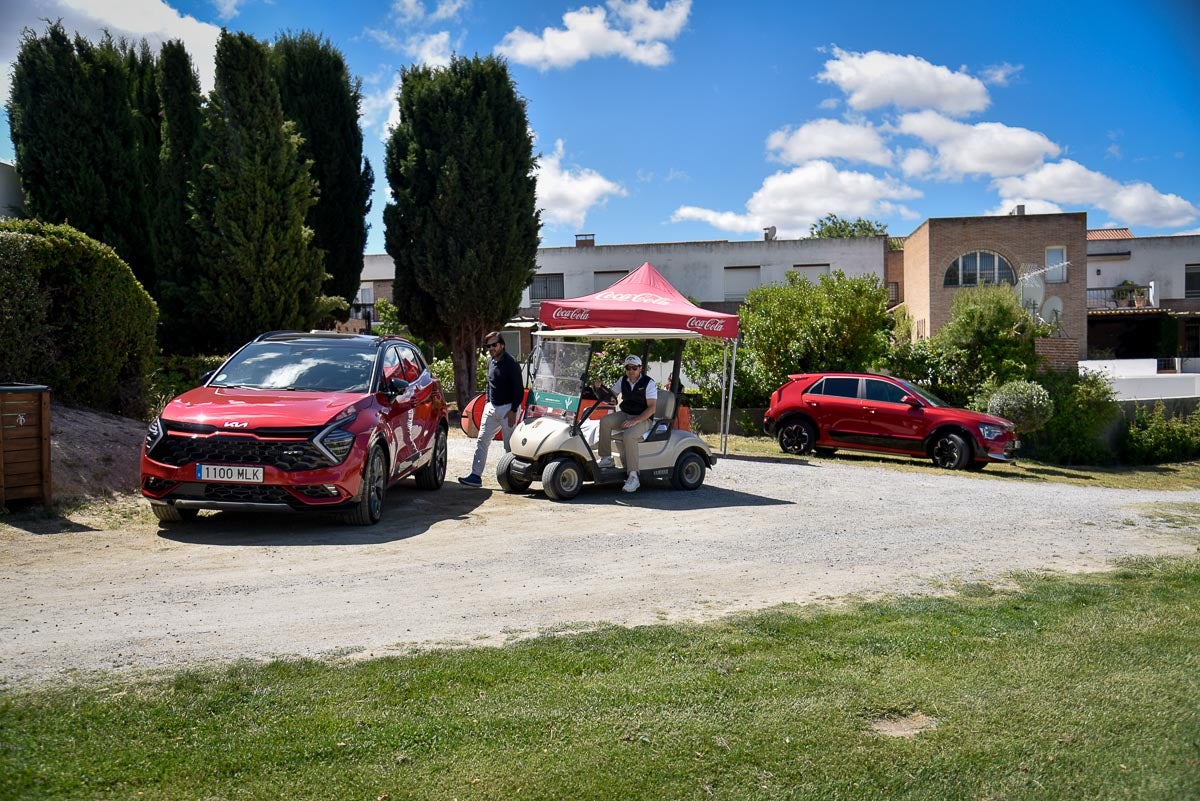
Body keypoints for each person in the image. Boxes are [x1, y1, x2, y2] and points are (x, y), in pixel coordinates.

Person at [458, 332, 523, 487]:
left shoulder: (511, 363)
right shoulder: (490, 362)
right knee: (482, 441)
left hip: (508, 409)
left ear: (502, 345)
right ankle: (475, 476)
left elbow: (518, 389)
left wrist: (514, 410)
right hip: (492, 407)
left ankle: (511, 479)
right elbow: (489, 383)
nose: (491, 348)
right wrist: (487, 402)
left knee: (509, 446)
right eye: (488, 346)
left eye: (494, 345)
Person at [594, 354, 657, 493]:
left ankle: (633, 476)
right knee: (605, 421)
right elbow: (610, 397)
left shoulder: (648, 383)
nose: (631, 371)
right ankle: (606, 458)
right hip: (626, 414)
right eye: (628, 368)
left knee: (629, 435)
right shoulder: (623, 380)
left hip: (644, 418)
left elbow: (652, 408)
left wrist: (635, 421)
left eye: (634, 368)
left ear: (640, 368)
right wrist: (599, 389)